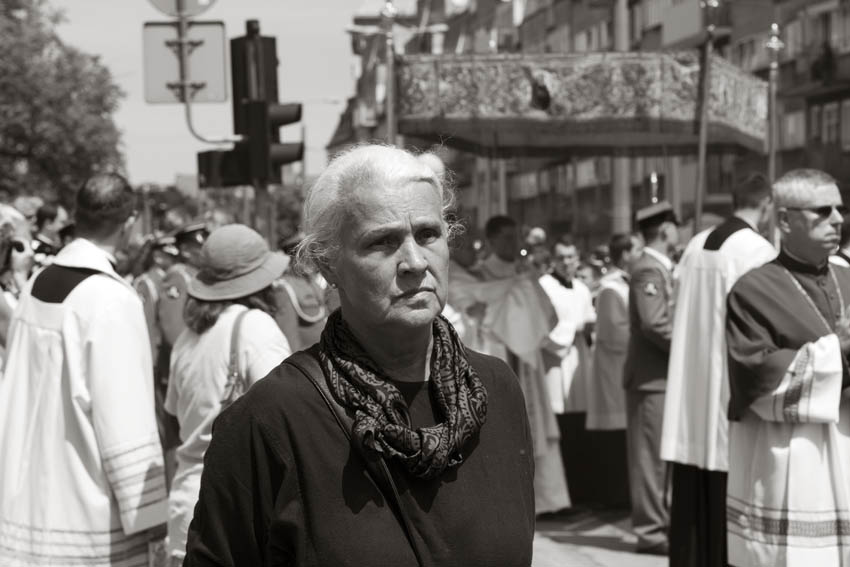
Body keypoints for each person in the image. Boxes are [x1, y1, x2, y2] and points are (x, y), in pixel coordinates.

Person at [183, 145, 534, 566]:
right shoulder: (270, 421)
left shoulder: (496, 389)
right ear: (328, 265)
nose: (415, 262)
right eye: (382, 242)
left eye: (428, 234)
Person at [0, 173, 167, 566]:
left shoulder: (35, 284)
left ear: (77, 216)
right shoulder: (112, 300)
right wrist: (150, 518)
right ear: (128, 224)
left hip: (22, 511)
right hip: (87, 527)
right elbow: (125, 419)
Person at [726, 169, 850, 567]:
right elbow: (757, 376)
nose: (838, 219)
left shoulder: (848, 276)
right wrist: (838, 351)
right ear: (784, 220)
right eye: (822, 211)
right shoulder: (752, 290)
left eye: (839, 209)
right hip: (797, 456)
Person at [659, 173, 776, 567]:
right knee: (728, 491)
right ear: (767, 205)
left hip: (691, 385)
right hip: (726, 384)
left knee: (692, 494)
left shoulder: (695, 244)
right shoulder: (757, 250)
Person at [165, 224, 292, 565]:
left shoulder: (187, 337)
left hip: (184, 504)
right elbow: (288, 417)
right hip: (235, 512)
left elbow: (173, 418)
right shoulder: (255, 326)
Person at [624, 200, 679, 555]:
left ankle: (661, 524)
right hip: (651, 379)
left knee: (662, 458)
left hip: (660, 378)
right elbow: (654, 323)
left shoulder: (657, 267)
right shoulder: (647, 269)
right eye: (676, 226)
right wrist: (690, 348)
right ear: (666, 229)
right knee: (650, 460)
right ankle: (651, 531)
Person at [538, 234, 596, 506]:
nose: (566, 262)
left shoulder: (582, 288)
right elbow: (542, 328)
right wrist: (574, 329)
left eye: (571, 256)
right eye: (561, 257)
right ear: (553, 259)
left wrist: (588, 327)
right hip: (555, 364)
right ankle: (565, 494)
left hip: (579, 362)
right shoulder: (544, 286)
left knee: (580, 426)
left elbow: (589, 320)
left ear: (578, 258)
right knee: (561, 427)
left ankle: (583, 491)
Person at [588, 233, 640, 431]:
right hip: (616, 368)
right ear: (626, 254)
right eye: (638, 250)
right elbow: (613, 334)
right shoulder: (610, 288)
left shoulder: (626, 282)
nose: (641, 255)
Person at [272, 231, 330, 351]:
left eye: (311, 251)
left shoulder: (314, 284)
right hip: (309, 359)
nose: (310, 257)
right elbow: (291, 341)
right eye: (303, 253)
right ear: (293, 256)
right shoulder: (283, 289)